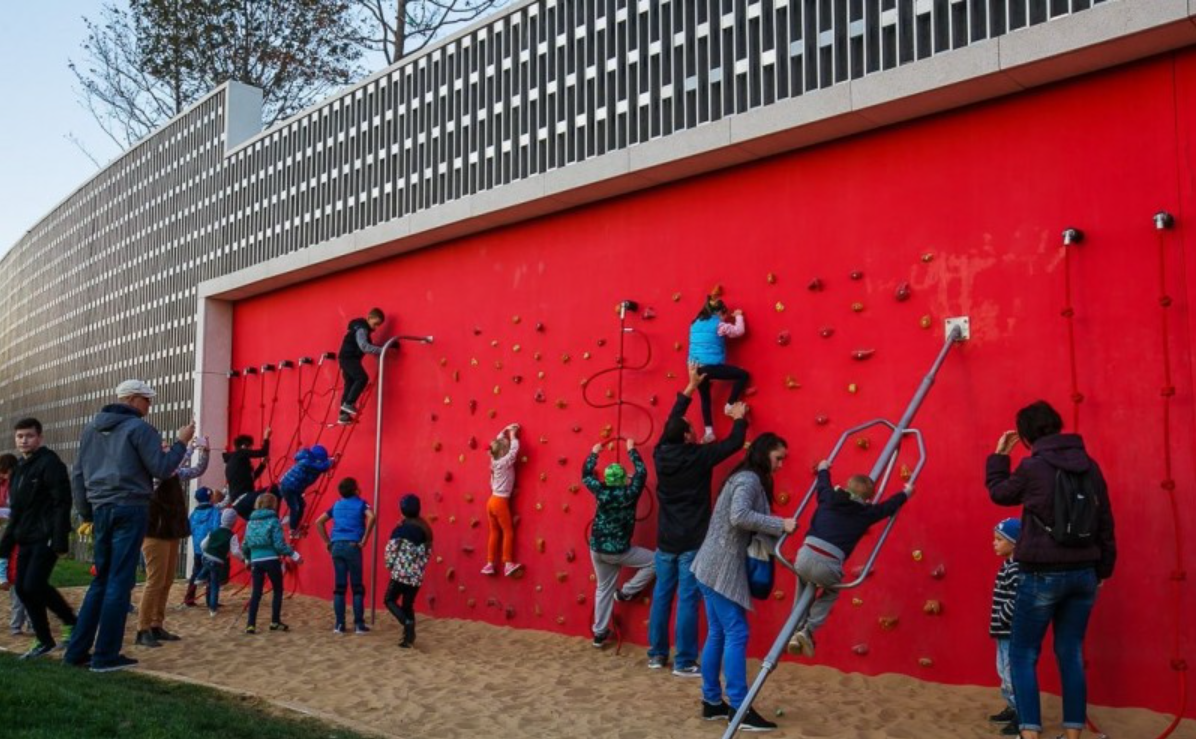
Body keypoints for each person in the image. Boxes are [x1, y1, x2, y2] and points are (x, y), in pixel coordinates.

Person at [987, 400, 1116, 739]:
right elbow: (1105, 520)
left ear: (1026, 435)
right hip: (1084, 572)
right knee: (1070, 653)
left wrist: (999, 455)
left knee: (1023, 653)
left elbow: (999, 494)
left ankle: (1030, 733)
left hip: (1042, 571)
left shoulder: (1033, 467)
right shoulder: (1090, 465)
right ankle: (1073, 733)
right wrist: (1104, 569)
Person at [66, 380, 194, 673]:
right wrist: (181, 442)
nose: (149, 408)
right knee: (119, 583)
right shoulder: (140, 429)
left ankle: (76, 651)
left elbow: (78, 474)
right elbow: (162, 469)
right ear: (135, 399)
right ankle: (105, 655)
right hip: (131, 507)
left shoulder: (90, 429)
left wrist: (87, 513)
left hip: (101, 509)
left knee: (100, 581)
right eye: (147, 402)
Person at [691, 432, 796, 732]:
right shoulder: (749, 480)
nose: (780, 465)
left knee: (718, 632)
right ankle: (739, 706)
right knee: (735, 631)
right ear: (765, 454)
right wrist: (780, 524)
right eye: (778, 459)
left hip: (709, 565)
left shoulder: (744, 477)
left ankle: (712, 702)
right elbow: (739, 516)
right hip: (719, 568)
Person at [648, 365, 748, 676]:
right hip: (692, 538)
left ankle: (656, 655)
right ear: (689, 435)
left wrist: (690, 388)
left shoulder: (661, 453)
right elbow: (731, 445)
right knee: (688, 599)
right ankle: (684, 661)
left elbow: (671, 424)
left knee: (662, 595)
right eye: (691, 427)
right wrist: (740, 419)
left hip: (665, 539)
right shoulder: (699, 457)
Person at [788, 461, 913, 659]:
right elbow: (888, 507)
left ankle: (796, 627)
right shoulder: (865, 513)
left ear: (846, 487)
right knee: (831, 590)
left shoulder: (828, 498)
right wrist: (906, 493)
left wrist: (823, 468)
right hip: (829, 564)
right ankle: (808, 630)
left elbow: (823, 485)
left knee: (802, 580)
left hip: (804, 555)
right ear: (868, 499)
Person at [0, 418, 78, 659]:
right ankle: (44, 640)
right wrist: (6, 543)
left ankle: (71, 622)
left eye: (29, 436)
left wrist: (59, 539)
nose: (24, 440)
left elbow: (62, 502)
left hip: (45, 536)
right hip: (24, 536)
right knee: (23, 588)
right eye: (20, 436)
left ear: (40, 437)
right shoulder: (21, 469)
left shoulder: (50, 463)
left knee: (34, 584)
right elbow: (18, 510)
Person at [135, 436, 209, 647]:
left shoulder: (172, 472)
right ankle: (142, 628)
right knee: (154, 581)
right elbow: (172, 466)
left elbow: (196, 471)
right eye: (164, 448)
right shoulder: (152, 473)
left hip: (170, 531)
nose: (167, 449)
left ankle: (156, 625)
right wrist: (187, 447)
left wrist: (204, 452)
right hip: (154, 532)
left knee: (166, 581)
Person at [582, 438, 653, 649]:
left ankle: (599, 633)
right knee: (657, 561)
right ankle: (626, 591)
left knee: (603, 588)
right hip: (619, 550)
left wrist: (594, 452)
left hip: (597, 548)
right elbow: (641, 473)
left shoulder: (601, 491)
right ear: (623, 480)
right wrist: (632, 450)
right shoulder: (629, 493)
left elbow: (586, 475)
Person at [314, 478, 376, 634]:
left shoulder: (336, 505)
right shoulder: (361, 503)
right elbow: (372, 516)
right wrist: (364, 539)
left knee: (339, 587)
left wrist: (328, 542)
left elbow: (318, 522)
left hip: (337, 545)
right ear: (355, 489)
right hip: (352, 545)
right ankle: (359, 624)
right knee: (357, 587)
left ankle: (339, 624)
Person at [687, 296, 748, 443]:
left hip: (695, 368)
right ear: (720, 312)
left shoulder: (694, 324)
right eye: (725, 314)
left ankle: (709, 432)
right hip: (711, 365)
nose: (726, 317)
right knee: (742, 375)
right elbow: (739, 331)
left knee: (705, 399)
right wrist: (739, 316)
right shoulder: (719, 325)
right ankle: (730, 404)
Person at [243, 492, 301, 634]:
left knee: (256, 593)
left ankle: (251, 624)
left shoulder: (250, 522)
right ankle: (275, 621)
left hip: (256, 560)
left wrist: (247, 558)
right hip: (271, 559)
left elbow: (245, 544)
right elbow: (279, 544)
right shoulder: (274, 521)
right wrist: (294, 555)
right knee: (278, 590)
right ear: (273, 504)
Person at [383, 494, 433, 648]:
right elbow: (426, 554)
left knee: (389, 599)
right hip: (416, 576)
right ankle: (408, 639)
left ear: (402, 510)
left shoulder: (401, 530)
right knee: (408, 605)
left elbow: (391, 549)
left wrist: (390, 565)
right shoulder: (426, 530)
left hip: (400, 573)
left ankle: (406, 622)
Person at [989, 518, 1023, 736]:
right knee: (1003, 671)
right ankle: (1012, 708)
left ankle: (1022, 714)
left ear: (1015, 543)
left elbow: (1018, 597)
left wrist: (1002, 616)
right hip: (1003, 631)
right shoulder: (1008, 565)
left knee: (1011, 673)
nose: (994, 543)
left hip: (1010, 630)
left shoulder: (1016, 568)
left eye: (999, 540)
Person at [482, 423, 522, 577]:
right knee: (508, 531)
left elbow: (497, 444)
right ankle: (507, 563)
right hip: (500, 502)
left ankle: (490, 563)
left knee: (494, 532)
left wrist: (504, 429)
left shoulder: (494, 458)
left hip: (491, 501)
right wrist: (512, 435)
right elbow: (514, 451)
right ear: (503, 451)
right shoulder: (505, 462)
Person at [338, 307, 389, 424]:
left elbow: (370, 345)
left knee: (350, 383)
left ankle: (343, 415)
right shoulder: (361, 329)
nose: (375, 327)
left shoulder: (362, 329)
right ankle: (349, 403)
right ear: (369, 318)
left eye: (378, 326)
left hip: (345, 358)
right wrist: (383, 350)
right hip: (349, 358)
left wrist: (387, 347)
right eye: (375, 324)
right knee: (362, 378)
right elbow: (364, 346)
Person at [0, 453, 28, 636]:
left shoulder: (20, 483)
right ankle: (17, 624)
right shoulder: (4, 486)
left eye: (5, 473)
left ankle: (24, 624)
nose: (4, 476)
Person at [278, 444, 333, 535]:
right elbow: (321, 467)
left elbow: (318, 468)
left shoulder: (308, 460)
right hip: (289, 487)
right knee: (295, 507)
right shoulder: (306, 462)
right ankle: (292, 529)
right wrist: (329, 462)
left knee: (301, 505)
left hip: (294, 488)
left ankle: (294, 524)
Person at [184, 487, 222, 607]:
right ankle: (210, 601)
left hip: (197, 548)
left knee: (196, 573)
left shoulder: (194, 514)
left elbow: (189, 529)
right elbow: (216, 530)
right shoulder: (215, 512)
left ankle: (189, 598)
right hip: (210, 549)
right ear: (210, 497)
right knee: (212, 574)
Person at [200, 508, 242, 616]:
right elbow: (235, 551)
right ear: (234, 521)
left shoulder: (214, 532)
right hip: (218, 561)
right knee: (215, 584)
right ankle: (213, 608)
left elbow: (203, 545)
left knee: (209, 581)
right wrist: (243, 558)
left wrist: (208, 551)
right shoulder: (232, 535)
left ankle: (201, 581)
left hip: (206, 557)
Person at [224, 430, 271, 516]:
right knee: (274, 489)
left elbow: (251, 478)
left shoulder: (234, 461)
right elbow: (263, 452)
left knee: (258, 521)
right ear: (244, 447)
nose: (251, 450)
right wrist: (266, 437)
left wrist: (263, 464)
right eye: (250, 447)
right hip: (244, 497)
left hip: (237, 504)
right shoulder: (240, 453)